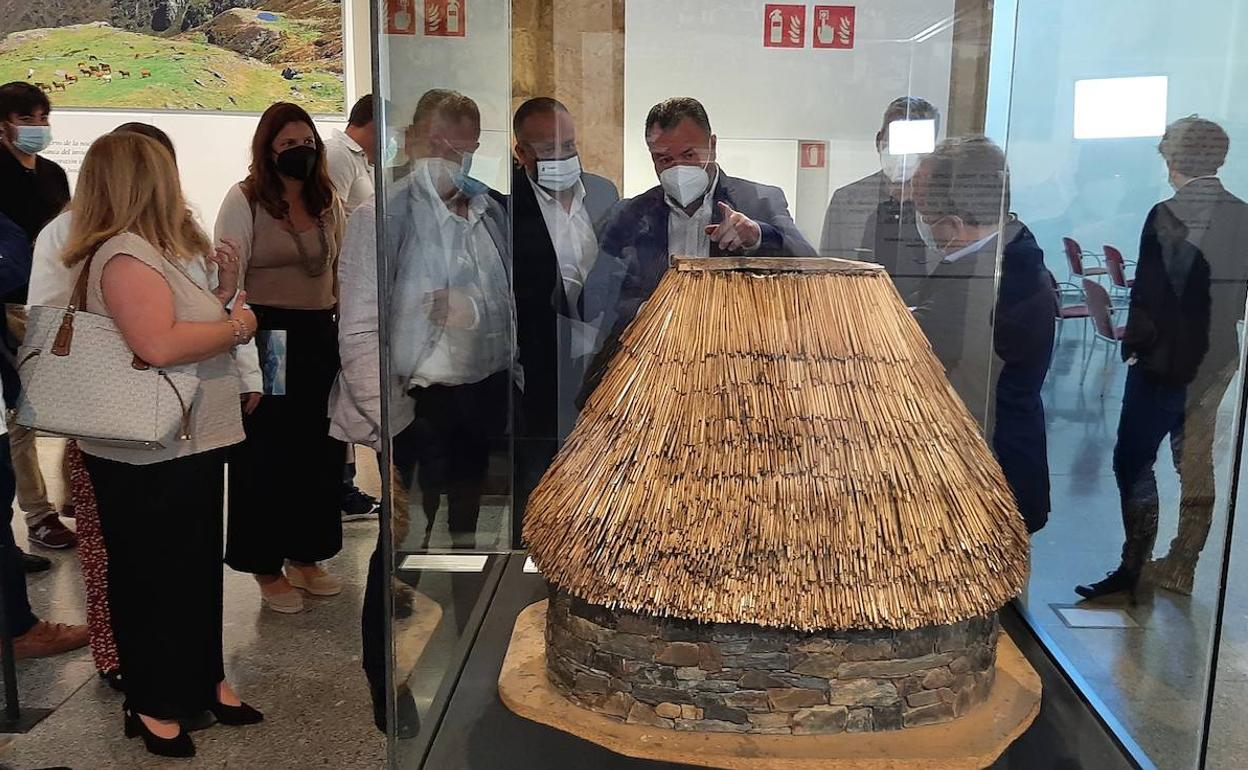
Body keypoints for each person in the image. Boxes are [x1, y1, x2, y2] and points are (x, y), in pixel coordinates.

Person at [30, 122, 261, 690]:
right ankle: (155, 696)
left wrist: (223, 292)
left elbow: (181, 320)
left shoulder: (157, 246)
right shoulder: (126, 254)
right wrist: (236, 326)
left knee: (190, 566)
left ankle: (202, 678)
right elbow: (157, 343)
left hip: (184, 435)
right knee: (151, 572)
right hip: (146, 443)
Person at [330, 88, 512, 732]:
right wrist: (390, 425)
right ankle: (390, 692)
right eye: (440, 142)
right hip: (411, 407)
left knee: (473, 544)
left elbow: (506, 306)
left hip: (480, 404)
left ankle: (475, 664)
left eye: (464, 143)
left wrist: (476, 311)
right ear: (413, 139)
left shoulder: (490, 210)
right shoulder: (380, 218)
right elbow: (357, 330)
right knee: (400, 552)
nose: (452, 154)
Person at [1077, 117, 1248, 600]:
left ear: (1172, 158)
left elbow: (1152, 298)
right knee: (1194, 464)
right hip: (1217, 357)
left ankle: (1133, 568)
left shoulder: (1166, 212)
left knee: (1132, 458)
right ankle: (1182, 563)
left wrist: (1134, 350)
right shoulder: (1245, 213)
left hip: (1165, 360)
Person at [216, 103, 347, 614]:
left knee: (320, 448)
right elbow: (228, 279)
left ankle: (308, 554)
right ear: (268, 149)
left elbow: (339, 269)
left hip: (319, 331)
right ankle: (265, 563)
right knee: (269, 449)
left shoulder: (325, 198)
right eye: (288, 145)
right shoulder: (245, 199)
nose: (301, 152)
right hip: (269, 335)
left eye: (307, 141)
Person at [587, 97, 815, 350]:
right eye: (664, 159)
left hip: (735, 355)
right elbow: (591, 300)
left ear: (713, 146)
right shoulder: (630, 214)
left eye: (689, 154)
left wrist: (758, 236)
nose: (678, 167)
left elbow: (811, 268)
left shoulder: (760, 201)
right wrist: (643, 311)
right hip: (652, 356)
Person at [910, 136, 1056, 534]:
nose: (921, 223)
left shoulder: (986, 279)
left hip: (987, 471)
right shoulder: (1013, 252)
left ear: (956, 224)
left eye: (925, 213)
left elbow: (928, 344)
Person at [510, 97, 619, 536]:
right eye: (549, 150)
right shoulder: (507, 208)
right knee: (538, 472)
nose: (563, 157)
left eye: (569, 144)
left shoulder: (605, 192)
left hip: (602, 359)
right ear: (522, 153)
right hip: (541, 366)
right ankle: (530, 561)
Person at [0, 82, 75, 551]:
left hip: (50, 301)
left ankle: (73, 496)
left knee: (70, 404)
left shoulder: (52, 172)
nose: (38, 127)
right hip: (9, 304)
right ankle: (37, 513)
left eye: (43, 117)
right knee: (21, 414)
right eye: (27, 119)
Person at [325, 95, 382, 522]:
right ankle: (340, 485)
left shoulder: (364, 161)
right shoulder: (339, 156)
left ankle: (344, 483)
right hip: (347, 280)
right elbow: (336, 215)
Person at [820, 96, 940, 298]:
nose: (904, 152)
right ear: (879, 141)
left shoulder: (942, 203)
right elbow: (828, 269)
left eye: (915, 141)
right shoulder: (847, 200)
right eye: (896, 140)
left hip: (928, 317)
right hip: (860, 309)